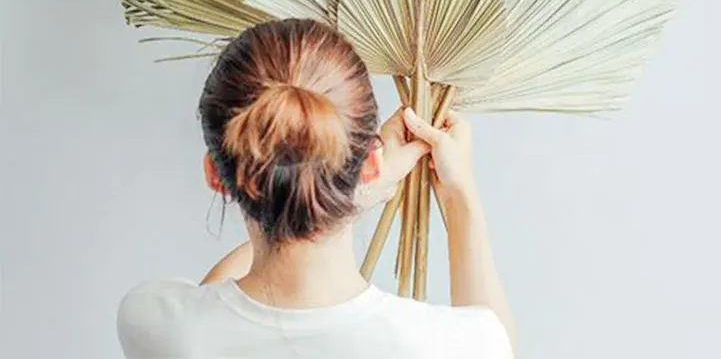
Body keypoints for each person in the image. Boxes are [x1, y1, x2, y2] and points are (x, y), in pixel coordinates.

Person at [117, 19, 515, 358]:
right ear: (371, 164)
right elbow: (496, 339)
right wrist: (459, 194)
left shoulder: (153, 319)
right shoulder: (442, 346)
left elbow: (209, 314)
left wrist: (348, 191)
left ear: (215, 174)